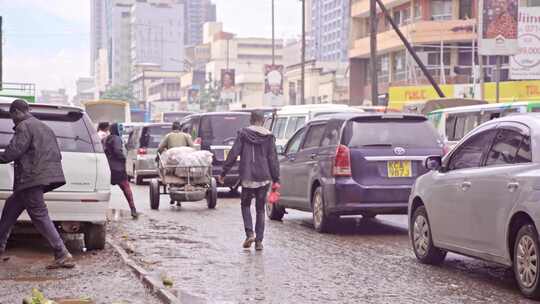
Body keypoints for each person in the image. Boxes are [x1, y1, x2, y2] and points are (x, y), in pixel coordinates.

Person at [0, 99, 75, 269]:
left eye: (12, 116)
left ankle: (62, 253)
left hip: (30, 179)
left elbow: (13, 152)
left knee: (40, 216)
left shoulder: (24, 126)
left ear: (17, 112)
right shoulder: (45, 127)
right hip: (38, 178)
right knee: (10, 208)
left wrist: (3, 157)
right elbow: (57, 154)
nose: (13, 120)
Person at [219, 110, 280, 251]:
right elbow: (273, 159)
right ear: (262, 120)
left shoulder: (243, 134)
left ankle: (249, 234)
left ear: (251, 120)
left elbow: (234, 153)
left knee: (245, 205)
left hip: (247, 176)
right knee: (260, 209)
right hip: (264, 178)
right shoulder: (269, 137)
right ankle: (259, 242)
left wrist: (223, 172)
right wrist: (276, 178)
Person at [103, 123, 138, 219]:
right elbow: (117, 151)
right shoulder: (117, 139)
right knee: (126, 188)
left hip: (107, 168)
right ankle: (133, 209)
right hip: (118, 169)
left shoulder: (106, 139)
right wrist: (124, 158)